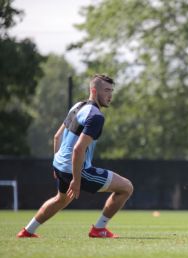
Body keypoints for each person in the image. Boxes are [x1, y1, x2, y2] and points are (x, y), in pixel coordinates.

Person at [17, 74, 134, 238]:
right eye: (106, 90)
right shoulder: (96, 116)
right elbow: (78, 150)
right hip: (75, 170)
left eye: (112, 91)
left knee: (61, 199)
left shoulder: (78, 106)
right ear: (94, 91)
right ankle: (99, 229)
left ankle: (27, 231)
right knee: (126, 187)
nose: (110, 95)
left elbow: (57, 137)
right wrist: (76, 180)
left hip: (60, 165)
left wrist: (56, 165)